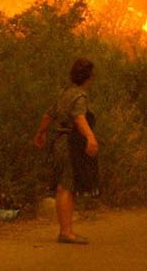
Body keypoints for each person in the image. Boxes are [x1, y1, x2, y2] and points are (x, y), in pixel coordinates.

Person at [33, 57, 99, 245]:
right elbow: (79, 117)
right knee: (67, 187)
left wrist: (40, 133)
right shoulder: (79, 96)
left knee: (63, 186)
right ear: (89, 77)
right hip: (70, 143)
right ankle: (66, 232)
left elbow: (48, 114)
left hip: (59, 142)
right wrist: (91, 137)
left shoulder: (65, 93)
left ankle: (65, 231)